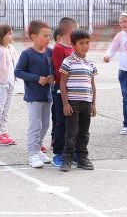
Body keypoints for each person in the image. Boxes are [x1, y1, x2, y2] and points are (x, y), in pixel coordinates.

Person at [15, 20, 55, 168]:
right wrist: (37, 79)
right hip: (34, 96)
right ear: (33, 37)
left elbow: (55, 70)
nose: (48, 38)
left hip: (47, 95)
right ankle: (32, 154)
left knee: (45, 125)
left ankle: (38, 149)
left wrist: (53, 78)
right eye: (44, 35)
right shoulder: (27, 54)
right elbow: (18, 71)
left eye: (49, 35)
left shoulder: (50, 52)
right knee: (35, 125)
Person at [59, 30, 98, 172]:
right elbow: (62, 83)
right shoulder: (68, 61)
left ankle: (82, 158)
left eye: (87, 43)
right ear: (73, 45)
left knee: (84, 132)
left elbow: (92, 84)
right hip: (73, 103)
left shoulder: (90, 64)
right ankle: (67, 159)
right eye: (81, 43)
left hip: (86, 103)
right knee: (71, 132)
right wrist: (65, 103)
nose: (85, 46)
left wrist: (93, 104)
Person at [51, 17, 78, 167]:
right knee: (61, 122)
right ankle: (58, 153)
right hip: (62, 89)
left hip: (74, 89)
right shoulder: (59, 49)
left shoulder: (73, 49)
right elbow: (60, 73)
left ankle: (71, 152)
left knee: (73, 123)